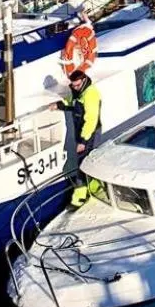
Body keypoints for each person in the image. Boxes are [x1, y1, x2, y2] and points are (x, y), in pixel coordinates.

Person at [64, 68, 102, 207]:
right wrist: (59, 105)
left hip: (89, 133)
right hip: (82, 132)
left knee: (83, 164)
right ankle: (95, 187)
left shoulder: (90, 94)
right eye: (73, 85)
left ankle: (79, 198)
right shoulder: (79, 92)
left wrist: (83, 141)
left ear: (84, 80)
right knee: (88, 161)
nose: (75, 88)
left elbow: (91, 119)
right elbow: (72, 104)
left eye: (77, 85)